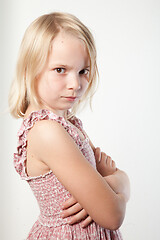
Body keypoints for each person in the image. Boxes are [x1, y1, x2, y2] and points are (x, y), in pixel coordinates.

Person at [9, 12, 130, 240]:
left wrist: (119, 184)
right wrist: (117, 184)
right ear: (30, 69)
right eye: (60, 70)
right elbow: (113, 215)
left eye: (83, 71)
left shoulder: (66, 124)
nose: (75, 84)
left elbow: (114, 190)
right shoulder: (47, 131)